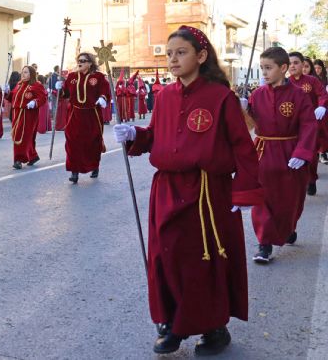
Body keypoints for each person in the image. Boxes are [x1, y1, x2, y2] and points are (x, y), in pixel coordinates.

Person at [113, 25, 263, 355]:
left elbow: (243, 148)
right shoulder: (164, 96)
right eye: (169, 54)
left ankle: (213, 328)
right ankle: (172, 324)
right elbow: (155, 135)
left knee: (199, 262)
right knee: (165, 258)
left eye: (180, 53)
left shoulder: (220, 97)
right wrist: (134, 135)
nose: (172, 59)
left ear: (201, 55)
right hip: (166, 188)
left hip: (207, 193)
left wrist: (243, 193)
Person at [242, 47, 316, 263]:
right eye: (261, 68)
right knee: (261, 198)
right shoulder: (256, 95)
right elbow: (249, 125)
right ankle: (264, 244)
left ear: (283, 68)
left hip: (290, 153)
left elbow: (308, 125)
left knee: (289, 199)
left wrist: (302, 152)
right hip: (263, 152)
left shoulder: (298, 95)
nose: (264, 73)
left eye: (268, 68)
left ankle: (288, 227)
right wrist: (244, 110)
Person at [57, 53, 109, 183]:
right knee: (73, 142)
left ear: (90, 63)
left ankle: (94, 166)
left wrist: (103, 98)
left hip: (92, 114)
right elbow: (66, 94)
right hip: (75, 115)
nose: (79, 62)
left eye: (83, 60)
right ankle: (74, 171)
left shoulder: (98, 77)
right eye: (78, 60)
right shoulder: (72, 76)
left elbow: (105, 90)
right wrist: (59, 89)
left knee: (92, 142)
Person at [288, 51, 328, 195]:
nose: (293, 66)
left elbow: (323, 94)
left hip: (311, 125)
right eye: (290, 63)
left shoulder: (312, 81)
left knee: (310, 155)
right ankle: (298, 182)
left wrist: (322, 106)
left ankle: (311, 180)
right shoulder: (286, 82)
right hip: (293, 127)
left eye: (296, 63)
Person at [6, 65, 46, 169]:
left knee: (21, 136)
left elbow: (42, 98)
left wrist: (35, 102)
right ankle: (33, 156)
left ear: (31, 74)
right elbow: (12, 98)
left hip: (28, 114)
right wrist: (6, 92)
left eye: (26, 72)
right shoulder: (19, 84)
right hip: (16, 113)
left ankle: (18, 159)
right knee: (24, 136)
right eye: (22, 72)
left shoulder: (36, 85)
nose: (23, 74)